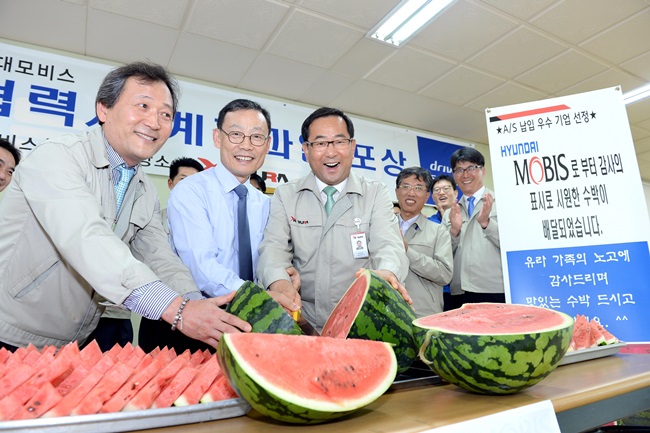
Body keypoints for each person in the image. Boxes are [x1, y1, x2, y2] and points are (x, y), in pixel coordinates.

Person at [0, 62, 251, 352]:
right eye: (142, 105)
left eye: (165, 114)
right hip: (11, 332)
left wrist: (194, 302)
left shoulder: (143, 189)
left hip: (73, 342)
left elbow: (159, 256)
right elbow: (87, 238)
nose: (154, 122)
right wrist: (176, 309)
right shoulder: (57, 156)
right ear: (103, 109)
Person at [139, 99, 298, 353]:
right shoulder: (191, 191)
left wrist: (283, 276)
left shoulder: (267, 204)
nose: (246, 145)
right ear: (217, 137)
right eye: (236, 134)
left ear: (267, 144)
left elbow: (269, 257)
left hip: (250, 323)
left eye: (257, 137)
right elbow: (201, 267)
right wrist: (258, 297)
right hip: (195, 322)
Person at [257, 107, 410, 331]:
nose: (331, 153)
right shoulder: (286, 195)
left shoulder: (375, 193)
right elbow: (273, 248)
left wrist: (388, 272)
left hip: (360, 321)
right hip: (302, 321)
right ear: (306, 150)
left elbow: (389, 245)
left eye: (339, 141)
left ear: (352, 146)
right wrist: (278, 282)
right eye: (320, 143)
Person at [444, 146, 504, 305]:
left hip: (494, 290)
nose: (465, 175)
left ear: (482, 171)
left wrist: (487, 224)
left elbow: (512, 247)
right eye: (458, 170)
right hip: (459, 291)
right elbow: (443, 255)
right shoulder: (449, 213)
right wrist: (454, 232)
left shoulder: (502, 204)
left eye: (471, 168)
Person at [395, 167, 453, 317]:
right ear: (397, 192)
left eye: (418, 188)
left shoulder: (438, 231)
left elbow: (444, 274)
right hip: (385, 312)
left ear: (427, 195)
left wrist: (408, 252)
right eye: (406, 186)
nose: (411, 192)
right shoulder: (381, 228)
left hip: (423, 314)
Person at [428, 174, 460, 310]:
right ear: (432, 196)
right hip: (439, 291)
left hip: (465, 289)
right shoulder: (427, 224)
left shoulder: (468, 220)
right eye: (436, 190)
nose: (441, 192)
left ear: (455, 193)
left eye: (446, 188)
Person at [161, 157, 204, 235]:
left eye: (194, 180)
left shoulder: (210, 219)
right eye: (183, 179)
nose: (188, 185)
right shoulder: (156, 219)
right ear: (170, 184)